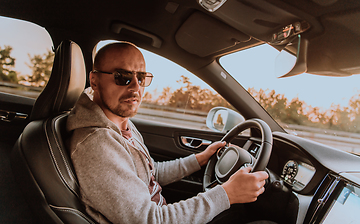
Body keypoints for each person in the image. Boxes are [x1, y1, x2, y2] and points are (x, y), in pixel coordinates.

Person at [66, 42, 270, 224]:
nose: (136, 87)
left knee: (239, 213)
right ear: (94, 81)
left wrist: (199, 159)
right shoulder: (97, 144)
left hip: (161, 211)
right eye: (123, 77)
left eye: (141, 77)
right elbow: (149, 219)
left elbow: (150, 173)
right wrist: (227, 193)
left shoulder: (120, 123)